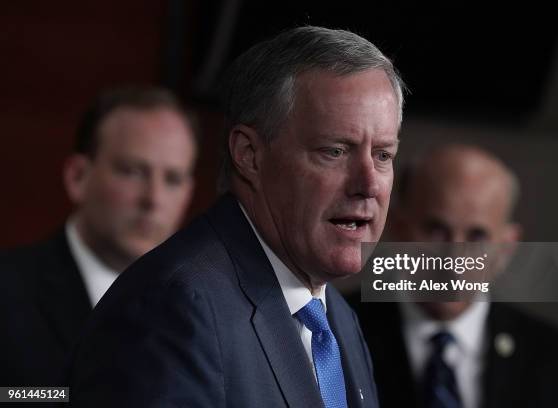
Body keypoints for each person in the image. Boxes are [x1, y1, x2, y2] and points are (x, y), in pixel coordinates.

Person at [66, 26, 404, 407]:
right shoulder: (171, 309)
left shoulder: (338, 316)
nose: (368, 184)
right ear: (249, 154)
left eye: (383, 156)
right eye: (335, 151)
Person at [352, 144, 558, 407]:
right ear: (397, 228)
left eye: (477, 236)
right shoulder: (333, 332)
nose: (454, 259)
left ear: (506, 247)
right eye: (436, 230)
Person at [0, 86, 198, 387]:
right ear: (77, 177)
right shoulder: (8, 291)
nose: (154, 199)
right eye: (133, 171)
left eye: (172, 179)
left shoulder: (204, 311)